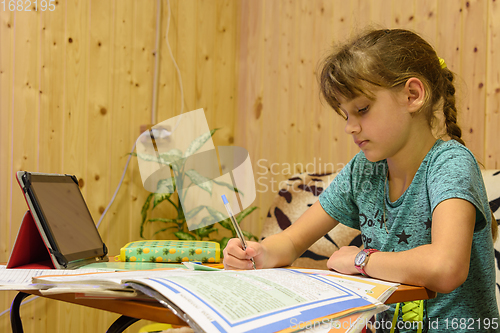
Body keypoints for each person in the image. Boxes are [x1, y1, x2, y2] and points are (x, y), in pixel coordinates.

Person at [223, 28, 499, 332]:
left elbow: (446, 267)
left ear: (413, 95)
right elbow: (290, 241)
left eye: (362, 110)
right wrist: (259, 253)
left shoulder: (450, 163)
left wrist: (361, 260)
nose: (350, 128)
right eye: (346, 115)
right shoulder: (363, 171)